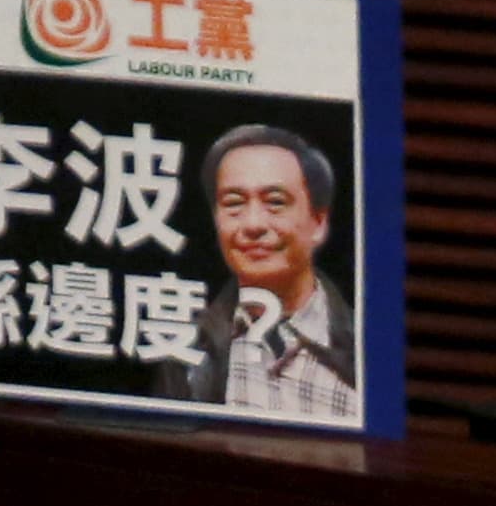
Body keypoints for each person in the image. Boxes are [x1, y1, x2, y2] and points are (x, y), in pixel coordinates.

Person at [152, 123, 358, 419]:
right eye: (233, 204)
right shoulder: (187, 353)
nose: (253, 225)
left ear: (318, 221)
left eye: (275, 202)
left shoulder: (366, 351)